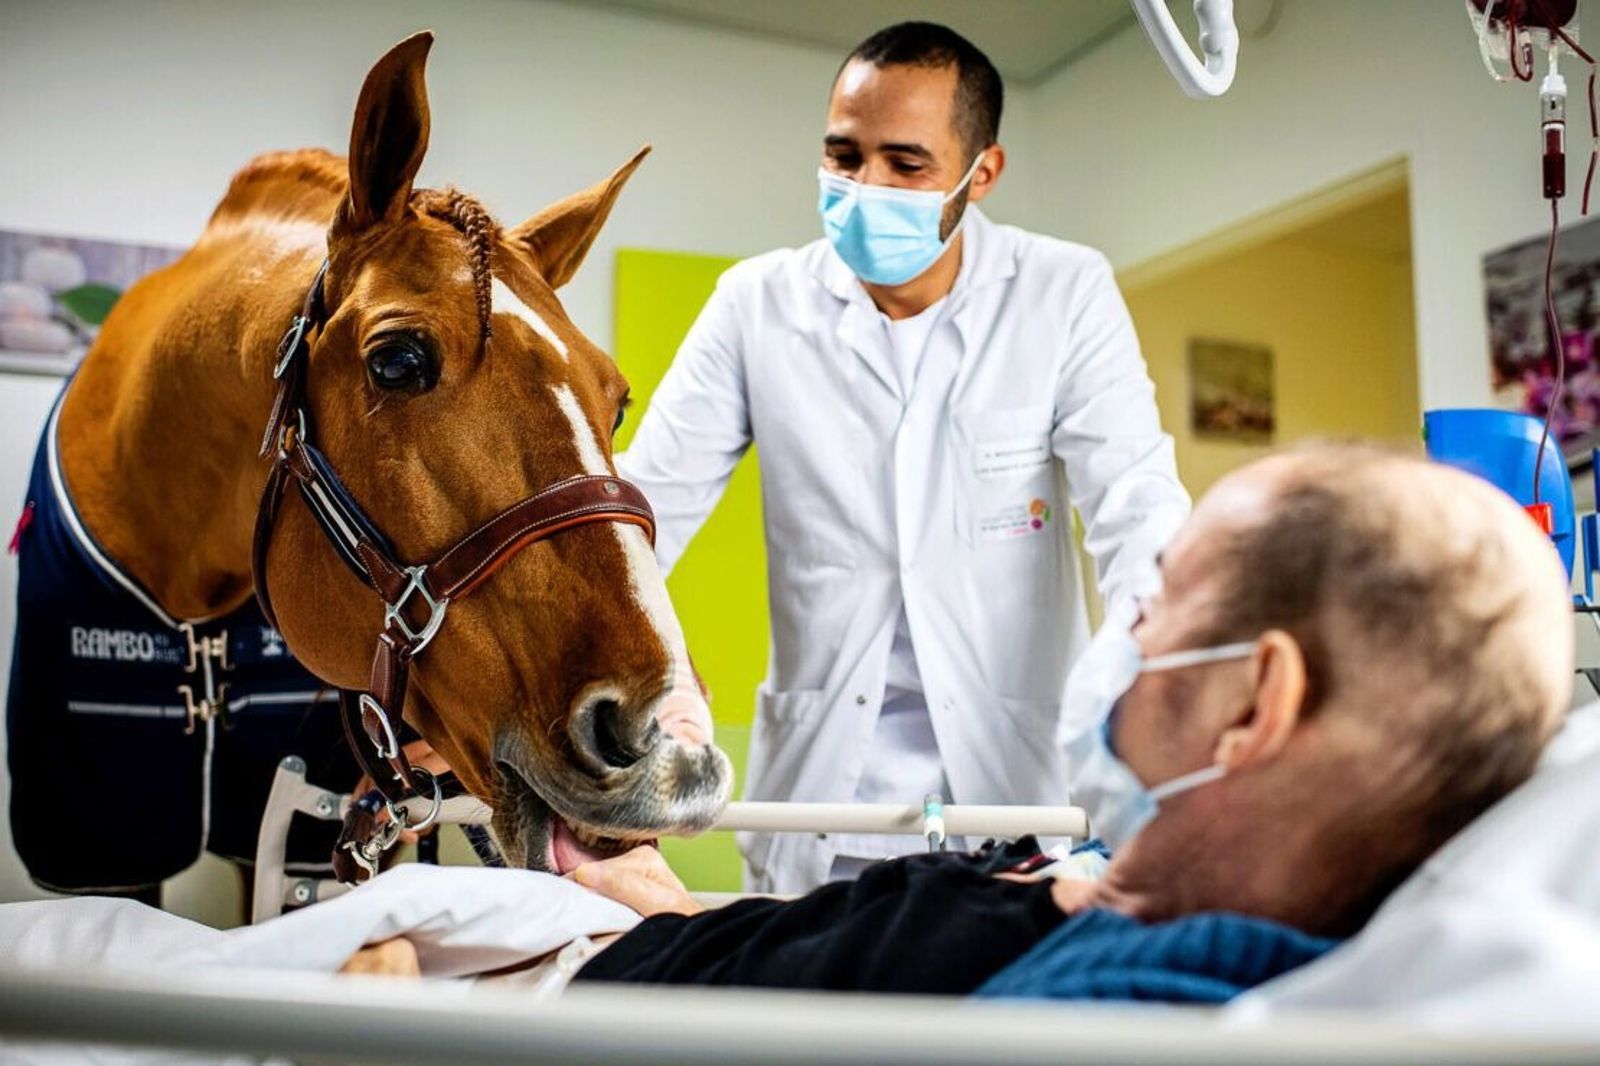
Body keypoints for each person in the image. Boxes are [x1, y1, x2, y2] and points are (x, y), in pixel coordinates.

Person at [552, 445, 1571, 994]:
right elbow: (819, 962)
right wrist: (653, 897)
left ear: (1251, 704)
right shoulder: (1077, 896)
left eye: (1157, 597)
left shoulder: (1091, 1001)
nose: (1124, 628)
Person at [617, 22, 1190, 893]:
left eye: (905, 163)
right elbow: (640, 516)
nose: (865, 185)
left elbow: (1138, 512)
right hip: (821, 810)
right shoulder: (756, 305)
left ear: (981, 173)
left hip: (1012, 806)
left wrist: (1164, 698)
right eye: (843, 156)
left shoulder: (1062, 293)